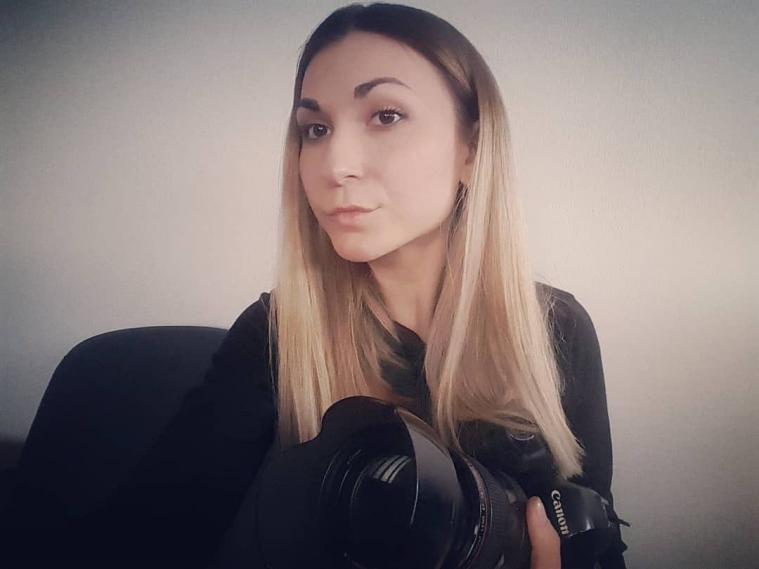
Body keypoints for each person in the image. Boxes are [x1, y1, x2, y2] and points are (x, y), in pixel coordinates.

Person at [2, 3, 627, 568]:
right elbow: (144, 533)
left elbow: (595, 539)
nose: (333, 165)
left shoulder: (554, 330)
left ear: (472, 148)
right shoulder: (278, 333)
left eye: (385, 116)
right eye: (316, 129)